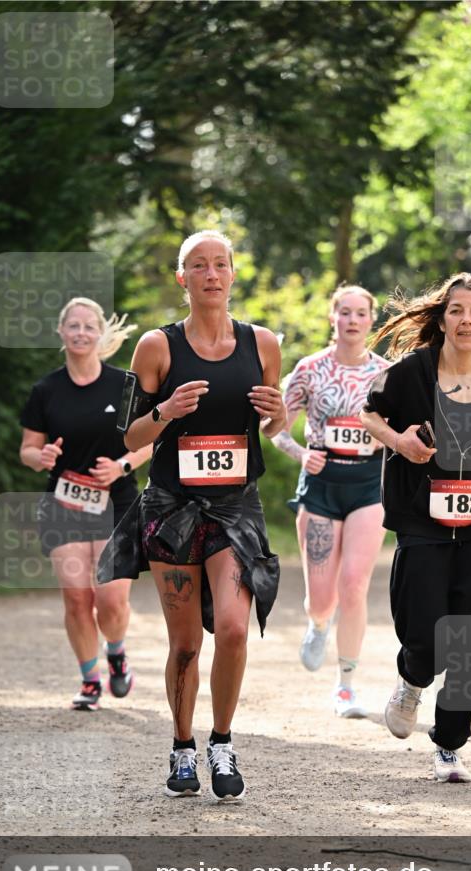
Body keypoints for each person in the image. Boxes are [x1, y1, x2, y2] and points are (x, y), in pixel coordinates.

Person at [98, 229, 285, 803]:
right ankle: (182, 746)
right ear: (183, 278)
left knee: (232, 629)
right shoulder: (157, 346)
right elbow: (127, 434)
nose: (211, 274)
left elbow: (274, 430)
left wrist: (280, 417)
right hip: (172, 510)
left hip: (235, 508)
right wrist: (167, 410)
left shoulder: (264, 344)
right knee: (185, 644)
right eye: (198, 266)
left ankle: (221, 741)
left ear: (233, 275)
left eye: (220, 264)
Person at [360, 273, 471, 783]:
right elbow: (369, 417)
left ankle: (450, 745)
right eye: (456, 310)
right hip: (422, 519)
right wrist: (400, 441)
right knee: (426, 636)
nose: (466, 320)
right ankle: (412, 680)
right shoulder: (409, 372)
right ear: (442, 319)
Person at [20, 297, 152, 711]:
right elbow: (28, 448)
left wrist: (122, 465)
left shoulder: (123, 385)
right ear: (61, 333)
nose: (80, 332)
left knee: (110, 600)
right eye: (72, 326)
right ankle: (89, 679)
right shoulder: (46, 390)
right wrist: (38, 458)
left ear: (100, 334)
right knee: (78, 598)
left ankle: (116, 650)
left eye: (88, 326)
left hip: (117, 502)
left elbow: (149, 439)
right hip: (64, 503)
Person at [273, 285, 390, 718]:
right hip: (321, 485)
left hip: (368, 485)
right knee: (322, 598)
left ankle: (346, 686)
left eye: (361, 313)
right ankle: (318, 622)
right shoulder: (309, 370)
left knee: (355, 584)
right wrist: (302, 453)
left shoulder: (386, 375)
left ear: (370, 321)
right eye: (345, 312)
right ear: (333, 318)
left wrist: (390, 443)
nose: (353, 320)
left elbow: (405, 429)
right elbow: (274, 427)